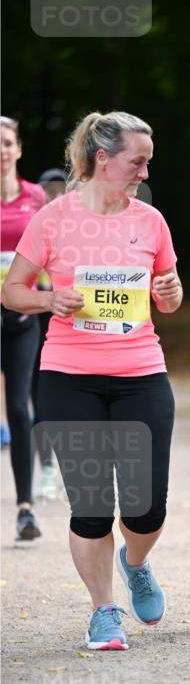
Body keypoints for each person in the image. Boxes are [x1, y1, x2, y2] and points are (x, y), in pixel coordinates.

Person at [2, 111, 183, 651]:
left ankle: (136, 562)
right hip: (69, 376)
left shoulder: (150, 221)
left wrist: (170, 293)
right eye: (137, 161)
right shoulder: (53, 218)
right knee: (91, 506)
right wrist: (49, 299)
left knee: (147, 507)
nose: (144, 172)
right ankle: (103, 611)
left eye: (148, 162)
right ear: (103, 158)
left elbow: (169, 295)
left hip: (141, 373)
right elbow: (13, 289)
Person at [1, 115, 46, 539]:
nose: (1, 150)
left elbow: (54, 249)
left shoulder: (35, 198)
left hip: (20, 319)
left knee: (18, 407)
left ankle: (25, 509)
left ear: (18, 149)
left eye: (6, 142)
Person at [32, 168, 69, 499]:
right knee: (38, 397)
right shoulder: (33, 225)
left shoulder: (78, 225)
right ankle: (46, 467)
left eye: (61, 188)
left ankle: (70, 467)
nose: (55, 194)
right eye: (49, 189)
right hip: (36, 318)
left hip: (69, 323)